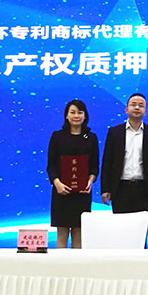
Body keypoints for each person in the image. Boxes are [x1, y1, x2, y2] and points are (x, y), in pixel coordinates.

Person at [46, 100, 99, 248]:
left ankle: (77, 263)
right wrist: (57, 183)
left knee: (79, 233)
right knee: (62, 233)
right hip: (61, 192)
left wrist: (90, 181)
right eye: (73, 112)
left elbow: (94, 166)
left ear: (85, 116)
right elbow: (51, 165)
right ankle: (60, 263)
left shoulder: (91, 137)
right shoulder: (57, 136)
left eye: (80, 112)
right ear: (66, 116)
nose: (76, 116)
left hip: (82, 193)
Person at [100, 93, 148, 214]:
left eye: (141, 105)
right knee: (121, 224)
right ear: (126, 109)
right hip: (120, 188)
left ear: (145, 111)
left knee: (142, 224)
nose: (137, 107)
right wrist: (105, 189)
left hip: (144, 189)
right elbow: (107, 162)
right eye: (133, 105)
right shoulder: (114, 132)